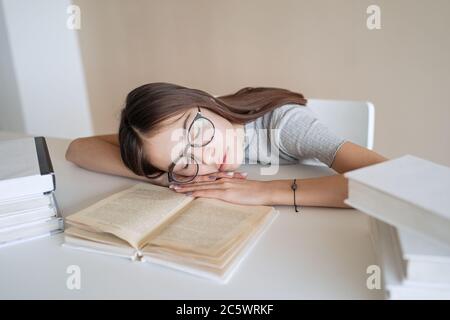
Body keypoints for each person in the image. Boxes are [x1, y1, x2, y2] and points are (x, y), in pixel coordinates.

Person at [65, 82, 387, 209]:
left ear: (206, 100)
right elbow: (77, 149)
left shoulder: (286, 125)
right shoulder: (187, 166)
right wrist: (168, 177)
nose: (204, 158)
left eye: (196, 133)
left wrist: (265, 192)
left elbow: (388, 179)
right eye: (184, 160)